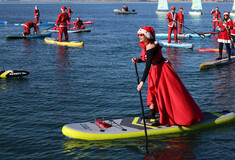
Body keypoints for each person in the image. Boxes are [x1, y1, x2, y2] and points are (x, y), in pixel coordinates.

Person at [131, 26, 203, 126]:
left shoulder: (151, 47)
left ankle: (164, 119)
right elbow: (148, 61)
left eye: (141, 34)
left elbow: (148, 65)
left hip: (160, 71)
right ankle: (152, 114)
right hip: (155, 70)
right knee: (152, 92)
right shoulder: (149, 45)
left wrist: (141, 82)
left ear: (147, 35)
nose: (139, 36)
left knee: (162, 94)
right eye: (139, 35)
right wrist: (138, 60)